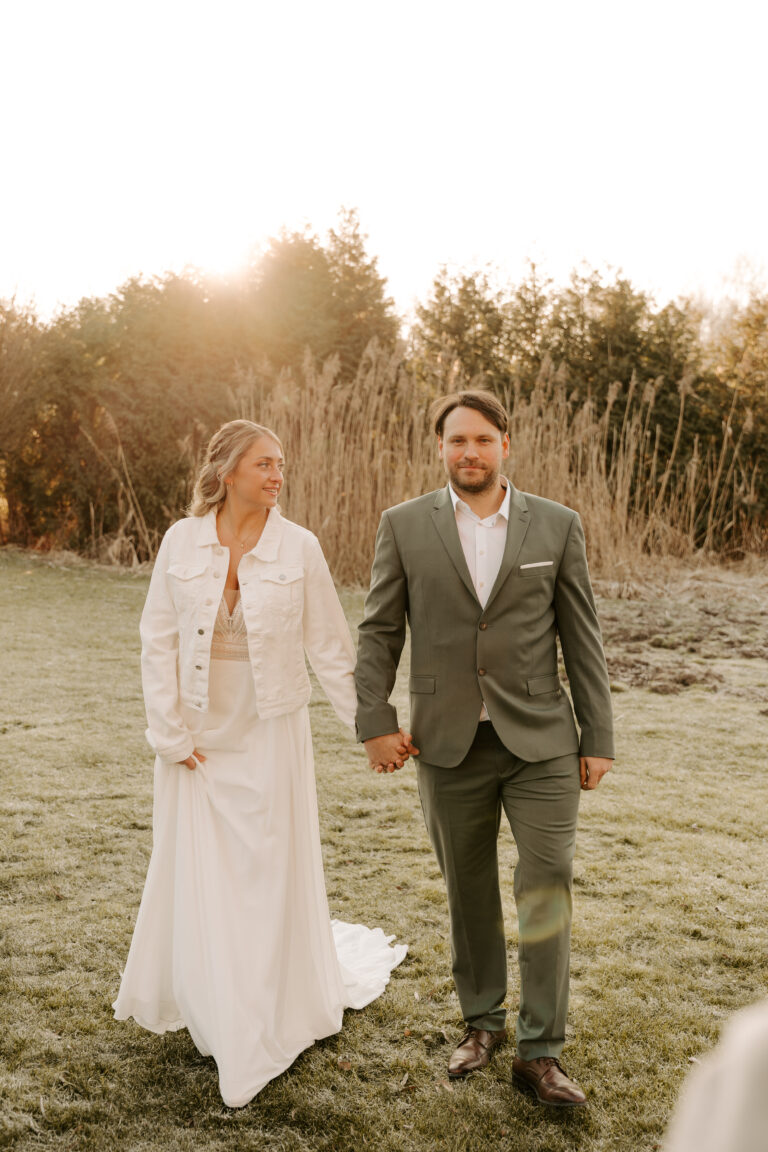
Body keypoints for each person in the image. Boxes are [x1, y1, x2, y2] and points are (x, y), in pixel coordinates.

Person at [113, 419, 406, 1108]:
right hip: (197, 730)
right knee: (206, 866)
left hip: (270, 727)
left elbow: (332, 648)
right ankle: (216, 998)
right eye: (264, 464)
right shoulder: (181, 542)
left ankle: (267, 1009)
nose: (278, 476)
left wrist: (372, 728)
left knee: (265, 868)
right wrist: (171, 734)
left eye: (281, 465)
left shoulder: (298, 547)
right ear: (227, 471)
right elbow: (155, 639)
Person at [355, 390, 614, 1107]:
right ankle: (481, 1024)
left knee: (546, 886)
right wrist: (374, 719)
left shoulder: (557, 525)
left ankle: (542, 1051)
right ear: (441, 448)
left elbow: (581, 637)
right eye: (455, 441)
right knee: (468, 893)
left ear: (506, 445)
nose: (469, 452)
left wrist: (599, 735)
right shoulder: (403, 525)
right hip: (446, 741)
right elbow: (379, 630)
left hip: (543, 743)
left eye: (482, 440)